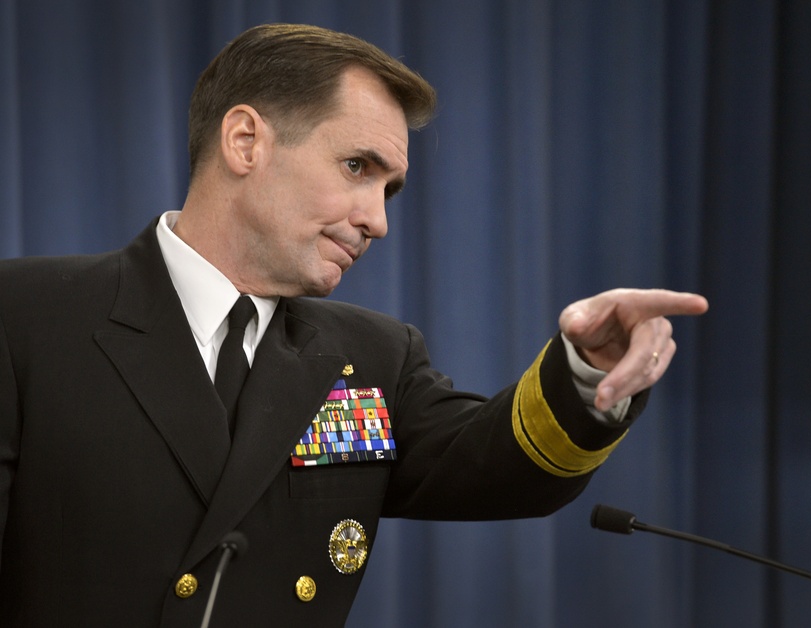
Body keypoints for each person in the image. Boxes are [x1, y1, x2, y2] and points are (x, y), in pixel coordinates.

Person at [0, 23, 707, 627]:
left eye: (388, 187)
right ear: (246, 142)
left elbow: (499, 468)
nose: (379, 219)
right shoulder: (25, 318)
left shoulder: (371, 356)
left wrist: (585, 371)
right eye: (357, 167)